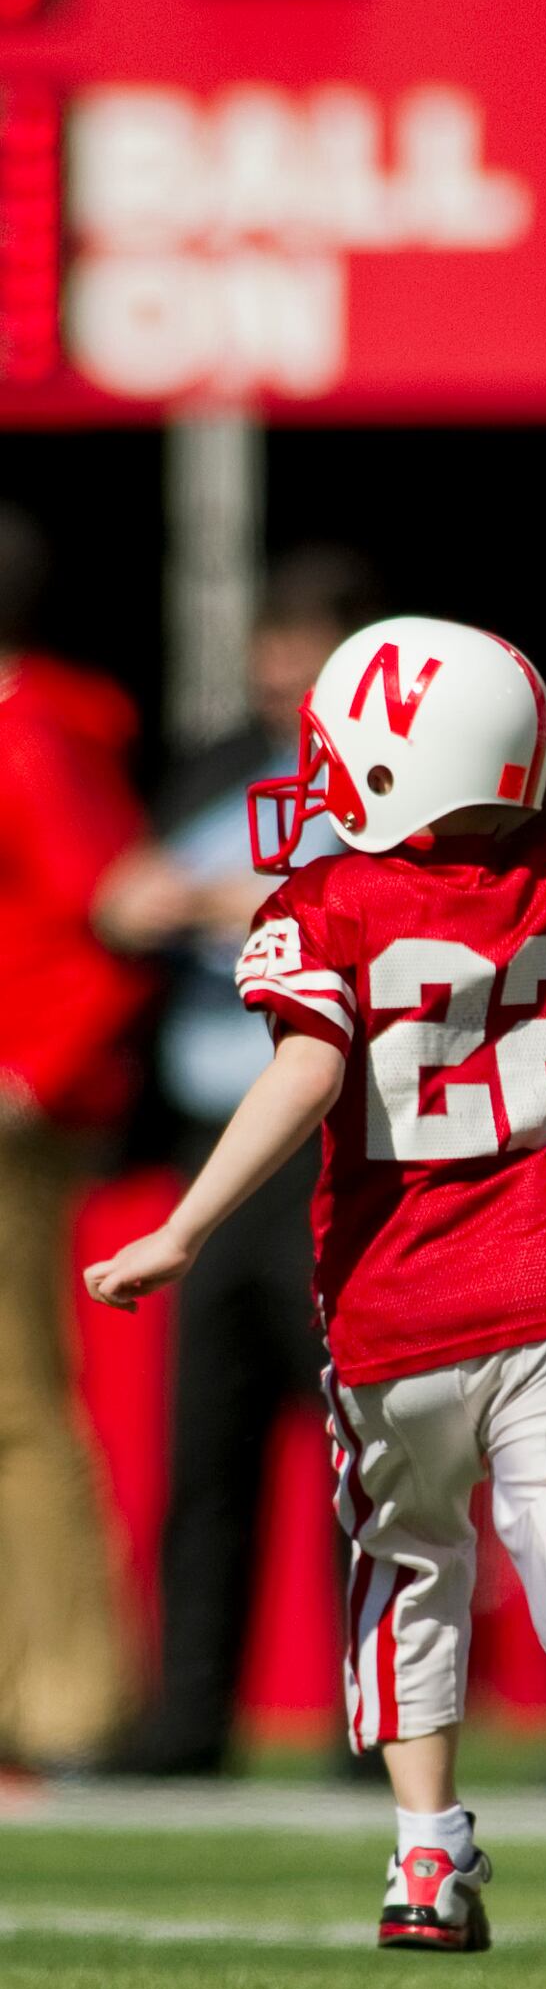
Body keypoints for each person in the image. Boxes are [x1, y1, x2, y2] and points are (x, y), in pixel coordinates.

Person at [85, 614, 546, 1989]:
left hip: (398, 1311)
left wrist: (186, 1223)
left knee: (408, 1562)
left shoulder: (324, 905)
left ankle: (425, 1856)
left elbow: (305, 1078)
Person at [95, 547, 379, 1776]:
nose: (277, 680)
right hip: (212, 1142)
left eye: (301, 657)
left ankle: (376, 1725)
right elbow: (122, 893)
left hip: (331, 1146)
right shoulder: (219, 769)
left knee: (359, 1450)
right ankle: (190, 1716)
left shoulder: (391, 786)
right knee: (201, 1449)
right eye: (269, 655)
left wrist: (223, 904)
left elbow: (356, 912)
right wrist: (165, 900)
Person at [0, 504, 148, 1771]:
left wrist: (31, 1075)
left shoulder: (32, 735)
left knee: (17, 1407)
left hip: (13, 1128)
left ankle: (67, 1696)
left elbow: (116, 916)